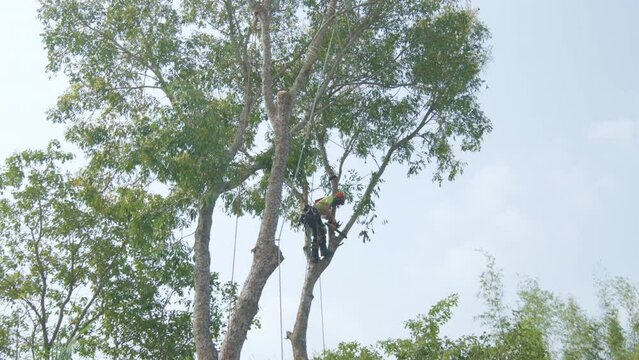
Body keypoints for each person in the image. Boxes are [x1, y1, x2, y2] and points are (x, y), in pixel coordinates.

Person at [300, 191, 346, 262]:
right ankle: (324, 252)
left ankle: (315, 257)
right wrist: (333, 219)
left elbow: (325, 215)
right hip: (313, 214)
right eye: (339, 202)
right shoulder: (330, 198)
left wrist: (331, 220)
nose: (337, 204)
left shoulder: (328, 205)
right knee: (321, 232)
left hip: (311, 216)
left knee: (317, 236)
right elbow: (325, 209)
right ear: (337, 198)